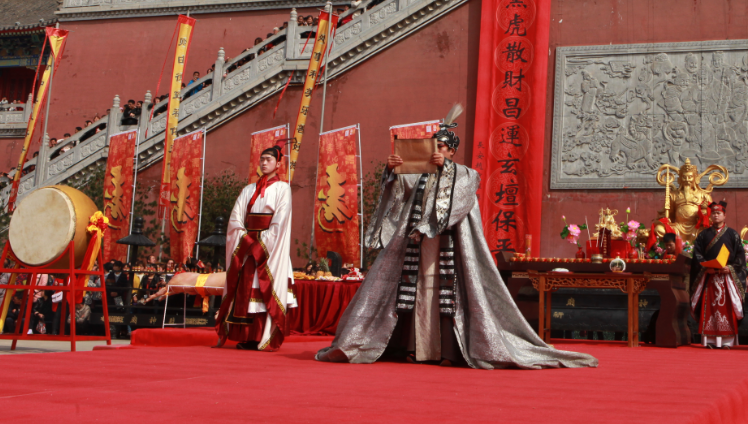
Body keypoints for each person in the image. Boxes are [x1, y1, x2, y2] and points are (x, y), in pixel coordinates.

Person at [316, 105, 596, 369]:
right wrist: (391, 171)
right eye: (433, 147)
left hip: (449, 245)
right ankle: (413, 348)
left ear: (451, 151)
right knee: (415, 295)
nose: (435, 152)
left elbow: (461, 199)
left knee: (447, 296)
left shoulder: (465, 174)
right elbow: (399, 195)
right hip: (417, 245)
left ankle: (450, 351)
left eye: (440, 148)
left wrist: (442, 181)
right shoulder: (420, 175)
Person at [215, 145, 297, 351]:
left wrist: (262, 242)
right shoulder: (248, 189)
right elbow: (236, 217)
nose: (263, 162)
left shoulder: (282, 189)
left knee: (263, 289)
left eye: (268, 159)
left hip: (268, 248)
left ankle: (263, 336)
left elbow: (280, 221)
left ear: (279, 164)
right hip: (247, 246)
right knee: (244, 292)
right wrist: (244, 238)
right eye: (261, 159)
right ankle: (246, 336)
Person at [691, 201, 746, 348]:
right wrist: (705, 268)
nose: (715, 215)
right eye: (713, 213)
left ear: (724, 215)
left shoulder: (732, 234)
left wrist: (731, 268)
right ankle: (709, 340)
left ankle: (727, 341)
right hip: (709, 277)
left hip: (727, 278)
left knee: (726, 309)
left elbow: (740, 256)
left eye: (718, 213)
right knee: (710, 308)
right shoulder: (703, 235)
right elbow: (697, 254)